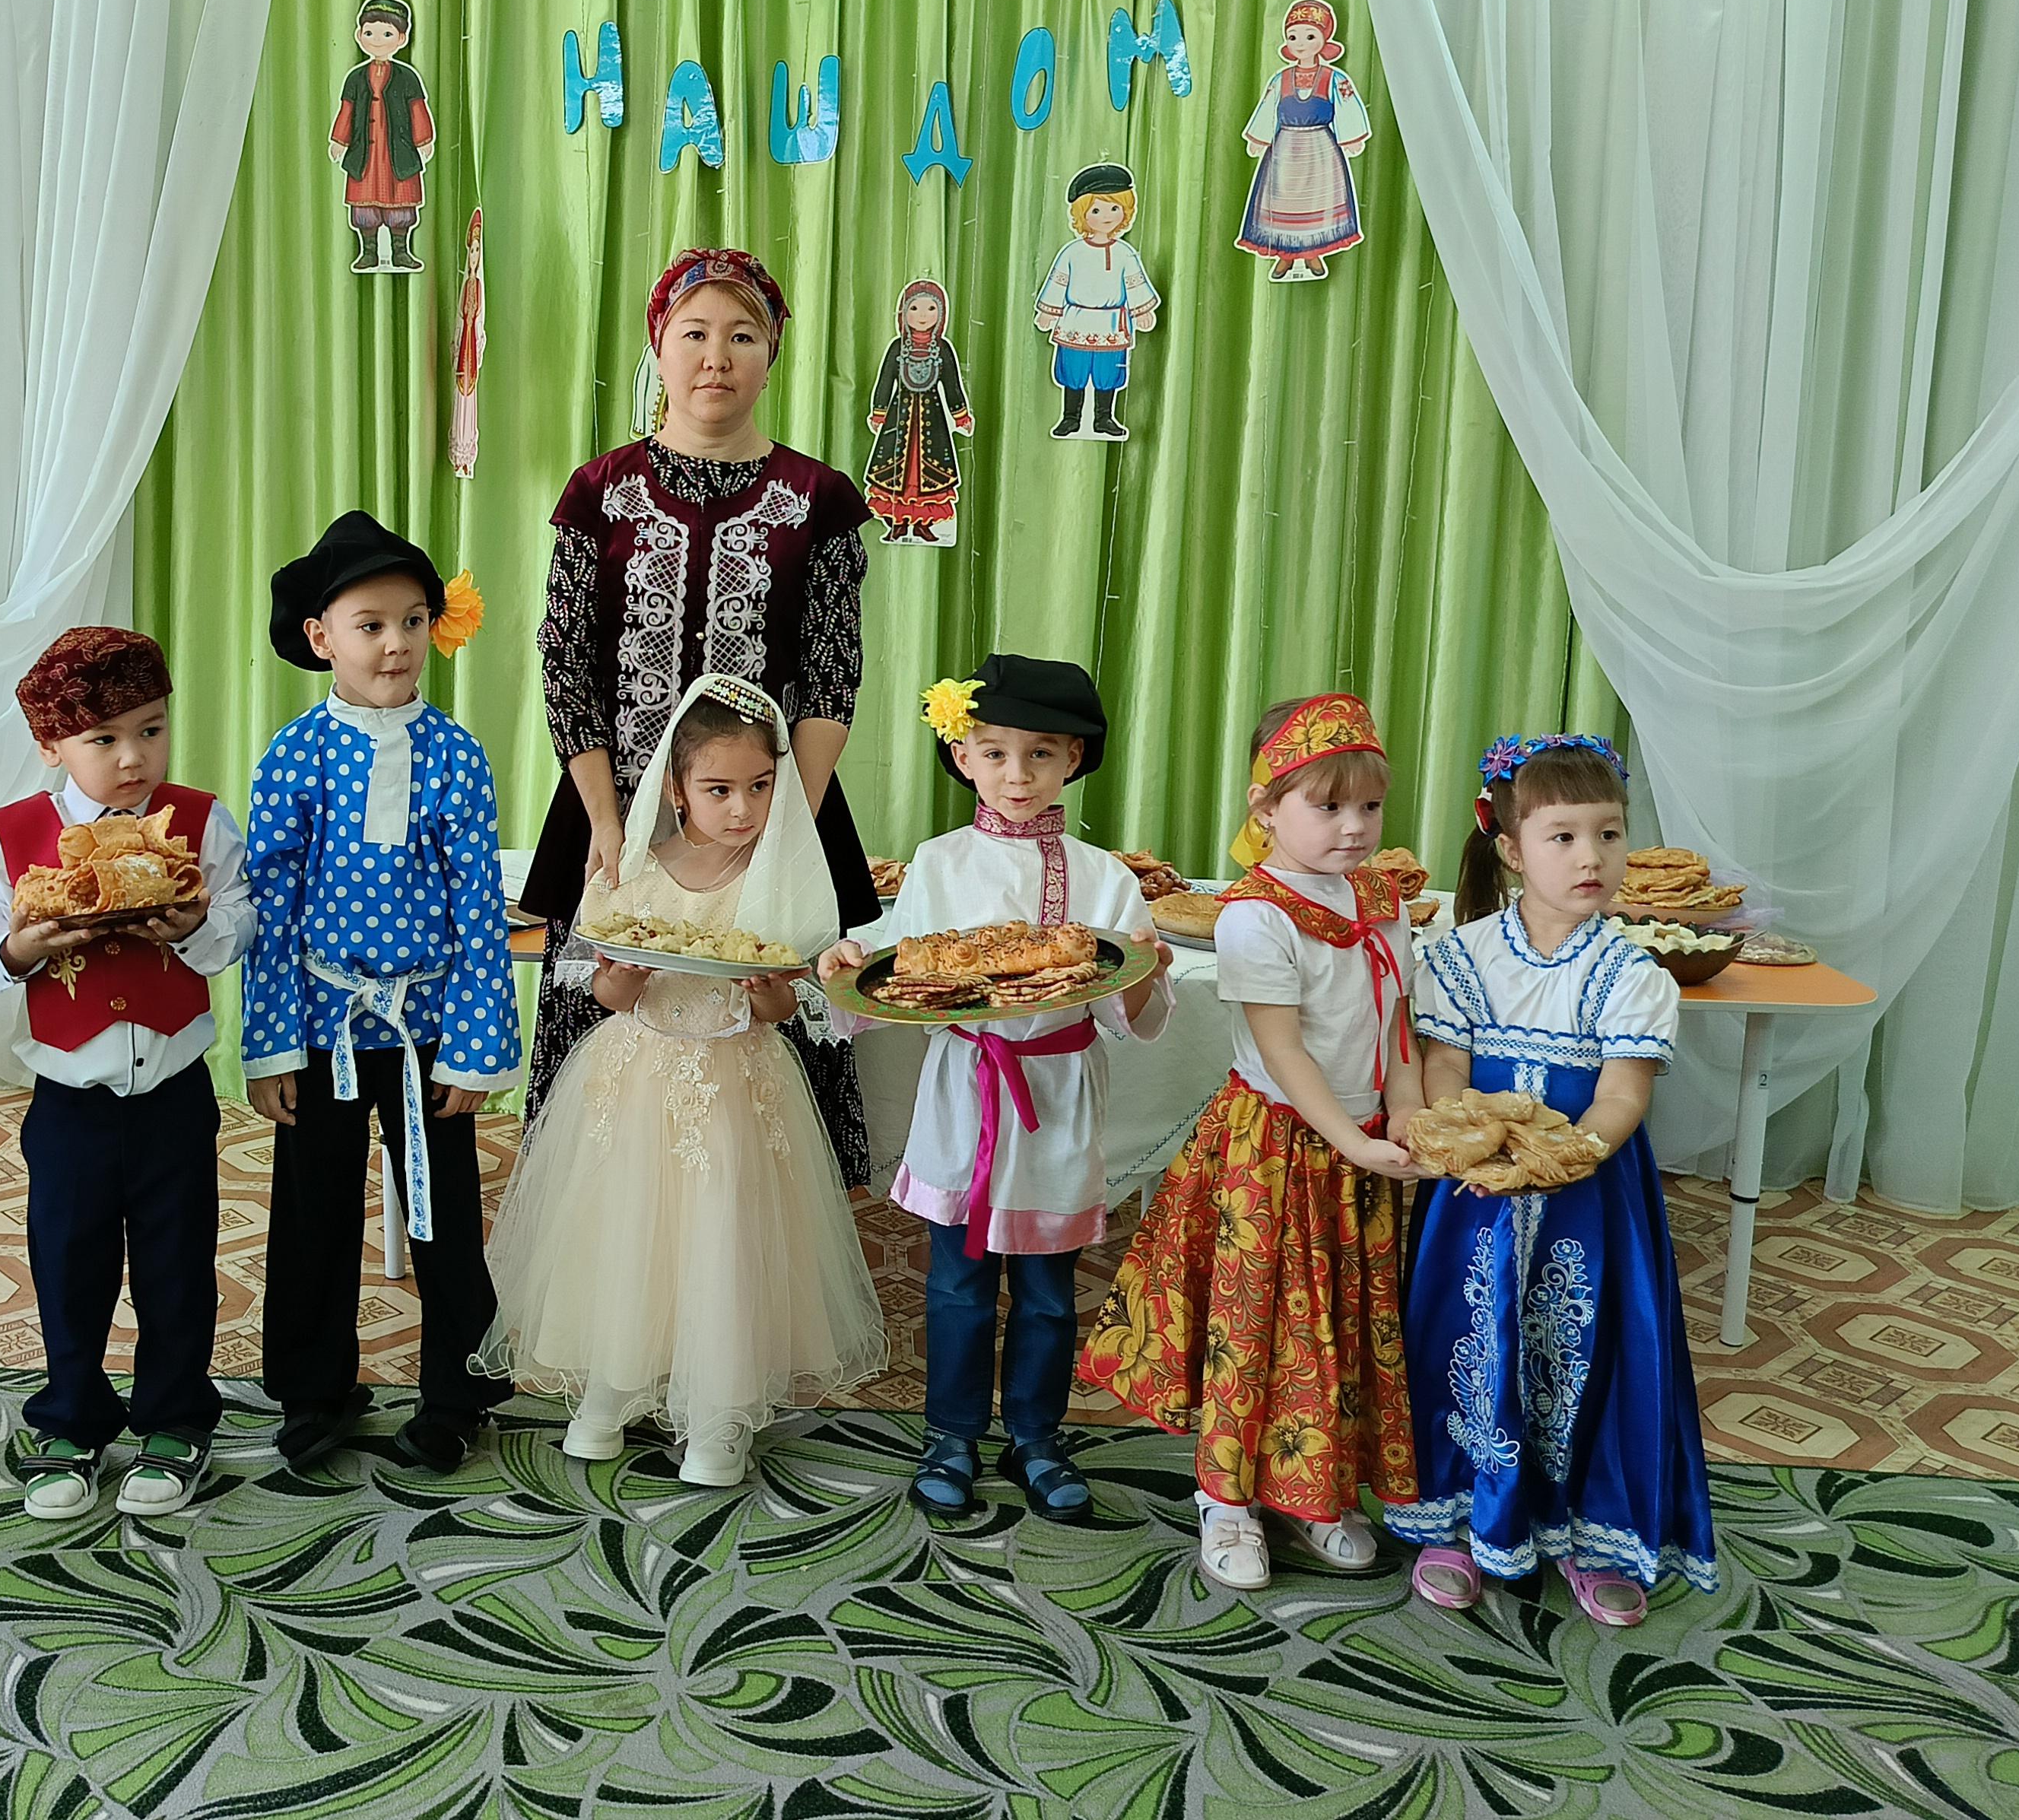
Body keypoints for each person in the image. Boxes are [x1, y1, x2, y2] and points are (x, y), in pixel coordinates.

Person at [525, 246, 878, 1190]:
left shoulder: (820, 501)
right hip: (613, 813)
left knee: (762, 1061)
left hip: (767, 813)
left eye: (741, 336)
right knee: (612, 1056)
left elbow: (831, 679)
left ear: (771, 354)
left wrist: (781, 831)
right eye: (693, 334)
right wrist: (607, 822)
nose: (715, 357)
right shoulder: (598, 491)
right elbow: (565, 664)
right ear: (658, 348)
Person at [483, 676, 885, 1486]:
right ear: (676, 788)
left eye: (760, 787)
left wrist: (764, 989)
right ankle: (613, 1384)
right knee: (627, 1231)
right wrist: (623, 972)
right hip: (636, 1078)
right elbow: (608, 995)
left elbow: (779, 1007)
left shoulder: (776, 881)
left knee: (724, 1238)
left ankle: (720, 1411)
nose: (742, 808)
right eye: (719, 790)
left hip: (737, 1082)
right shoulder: (634, 872)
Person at [1079, 694, 1421, 1590]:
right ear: (1264, 808)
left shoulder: (1384, 900)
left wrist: (1408, 1115)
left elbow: (1397, 1026)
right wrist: (1352, 1140)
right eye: (1327, 806)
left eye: (1369, 806)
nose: (1354, 827)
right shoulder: (1253, 915)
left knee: (1340, 1319)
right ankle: (1226, 1501)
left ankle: (1318, 1490)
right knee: (1256, 1325)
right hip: (1275, 1151)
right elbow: (1284, 1050)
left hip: (1360, 1146)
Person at [821, 657, 1173, 1524]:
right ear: (962, 757)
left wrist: (1145, 966)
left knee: (1050, 1288)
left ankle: (1037, 1437)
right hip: (966, 1090)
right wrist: (846, 962)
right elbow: (896, 973)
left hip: (1058, 1096)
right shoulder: (938, 863)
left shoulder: (1106, 877)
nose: (1018, 775)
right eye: (995, 752)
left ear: (1074, 759)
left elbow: (1132, 1011)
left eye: (1041, 753)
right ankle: (949, 1436)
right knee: (958, 1281)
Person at [1383, 734, 1718, 1624]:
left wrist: (1562, 1158)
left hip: (1590, 1201)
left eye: (1608, 834)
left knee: (1587, 1353)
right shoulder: (1460, 956)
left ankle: (1588, 1531)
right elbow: (1443, 1067)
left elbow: (1621, 1094)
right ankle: (1456, 1524)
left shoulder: (1632, 973)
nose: (1589, 857)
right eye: (1562, 837)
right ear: (1509, 848)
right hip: (1472, 1197)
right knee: (1464, 1344)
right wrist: (1475, 1150)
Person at [246, 511, 518, 1475]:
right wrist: (272, 1047)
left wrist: (474, 1050)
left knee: (445, 1216)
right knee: (311, 1212)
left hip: (427, 1027)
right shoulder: (294, 755)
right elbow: (270, 908)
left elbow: (479, 909)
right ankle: (313, 1390)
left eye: (412, 620)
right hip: (322, 1025)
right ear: (321, 637)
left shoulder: (456, 754)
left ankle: (458, 1391)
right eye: (370, 624)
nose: (396, 643)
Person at [0, 628, 253, 1523]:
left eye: (151, 730)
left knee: (178, 1263)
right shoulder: (12, 834)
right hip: (68, 1097)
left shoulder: (200, 821)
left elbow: (240, 926)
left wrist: (193, 931)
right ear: (51, 745)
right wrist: (24, 946)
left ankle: (175, 1417)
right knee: (68, 1262)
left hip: (173, 1092)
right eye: (105, 738)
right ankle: (69, 1419)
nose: (134, 757)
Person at [1237, 0, 1372, 282]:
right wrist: (1260, 138)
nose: (1301, 43)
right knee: (1282, 200)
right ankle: (1284, 253)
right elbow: (1268, 107)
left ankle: (1313, 251)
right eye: (1293, 36)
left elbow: (1347, 106)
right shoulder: (1281, 79)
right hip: (1285, 150)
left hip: (1320, 149)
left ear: (1323, 40)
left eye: (1309, 36)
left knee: (1318, 201)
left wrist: (1351, 138)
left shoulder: (1334, 78)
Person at [1031, 162, 1159, 443]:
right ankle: (1070, 416)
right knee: (1073, 371)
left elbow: (1134, 284)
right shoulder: (1072, 252)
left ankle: (1104, 417)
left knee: (1108, 372)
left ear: (1125, 211)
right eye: (1097, 210)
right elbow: (1059, 282)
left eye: (1114, 208)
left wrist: (1141, 311)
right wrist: (1049, 312)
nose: (1106, 217)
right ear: (1083, 214)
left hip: (1111, 323)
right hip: (1076, 321)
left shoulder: (1125, 254)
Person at [862, 276, 977, 546]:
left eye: (930, 309)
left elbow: (952, 385)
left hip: (933, 420)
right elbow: (885, 381)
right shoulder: (897, 347)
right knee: (895, 472)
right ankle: (898, 523)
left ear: (941, 314)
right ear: (903, 313)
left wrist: (961, 415)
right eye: (914, 308)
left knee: (929, 473)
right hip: (898, 418)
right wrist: (879, 412)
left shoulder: (943, 349)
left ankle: (923, 525)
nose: (923, 316)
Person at [330, 0, 434, 275]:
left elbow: (418, 110)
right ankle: (368, 251)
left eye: (386, 34)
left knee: (400, 205)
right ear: (359, 35)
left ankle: (401, 251)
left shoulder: (407, 77)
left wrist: (423, 140)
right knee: (365, 207)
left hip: (397, 154)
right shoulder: (355, 78)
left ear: (401, 38)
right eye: (370, 33)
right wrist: (339, 141)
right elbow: (347, 111)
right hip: (366, 155)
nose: (377, 40)